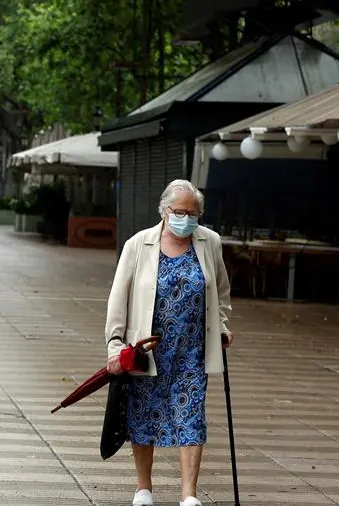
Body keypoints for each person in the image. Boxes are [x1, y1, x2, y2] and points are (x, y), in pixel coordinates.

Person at [104, 179, 233, 506]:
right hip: (148, 349)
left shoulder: (210, 242)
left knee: (192, 416)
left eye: (194, 213)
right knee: (144, 415)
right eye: (180, 211)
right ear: (164, 210)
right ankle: (143, 487)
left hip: (192, 349)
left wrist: (222, 325)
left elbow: (221, 290)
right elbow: (118, 298)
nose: (187, 218)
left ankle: (188, 495)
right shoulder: (139, 244)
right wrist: (115, 345)